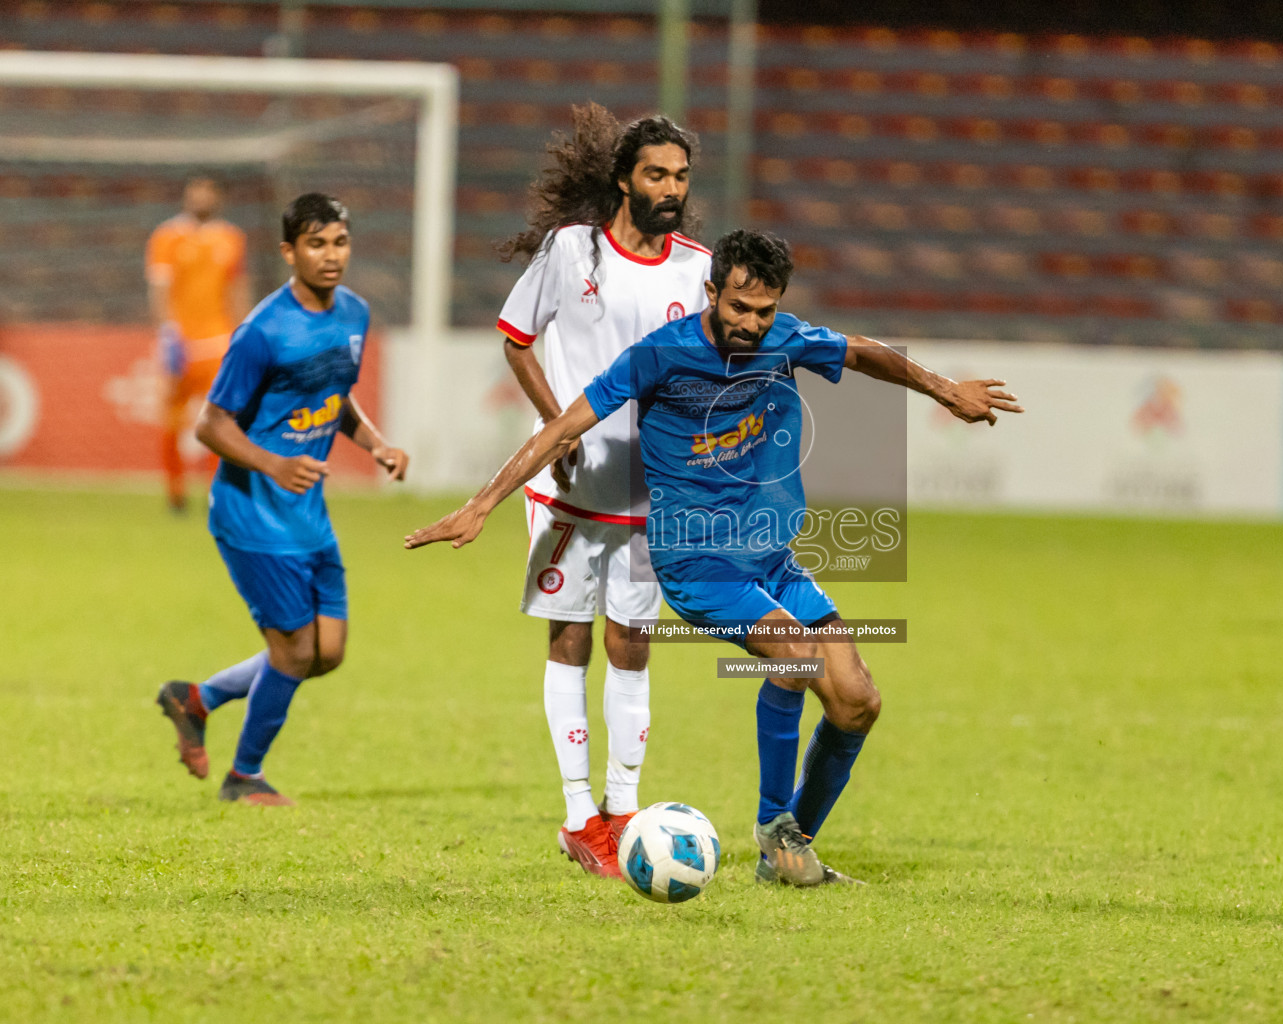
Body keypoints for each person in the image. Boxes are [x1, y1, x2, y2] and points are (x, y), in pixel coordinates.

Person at [406, 230, 1020, 885]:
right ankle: (771, 822)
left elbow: (864, 353)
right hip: (695, 562)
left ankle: (788, 856)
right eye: (738, 308)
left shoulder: (784, 338)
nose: (752, 324)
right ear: (711, 292)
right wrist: (480, 503)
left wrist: (944, 389)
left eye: (764, 310)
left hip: (770, 559)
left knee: (856, 700)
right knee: (796, 656)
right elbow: (563, 428)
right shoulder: (660, 356)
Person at [492, 104, 711, 877]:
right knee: (570, 637)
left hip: (653, 493)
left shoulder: (698, 269)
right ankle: (580, 816)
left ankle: (625, 806)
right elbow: (517, 339)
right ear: (624, 178)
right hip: (570, 488)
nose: (671, 188)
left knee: (633, 644)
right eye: (657, 173)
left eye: (681, 176)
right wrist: (559, 425)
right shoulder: (571, 250)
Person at [155, 193, 408, 805]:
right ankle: (245, 777)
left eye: (339, 242)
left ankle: (199, 698)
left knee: (328, 651)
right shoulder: (262, 331)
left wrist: (374, 444)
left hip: (306, 511)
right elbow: (211, 425)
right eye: (316, 244)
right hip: (252, 514)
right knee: (294, 652)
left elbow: (335, 394)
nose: (330, 256)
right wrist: (274, 463)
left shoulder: (354, 312)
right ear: (288, 252)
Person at [146, 173, 251, 513]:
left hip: (218, 344)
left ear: (217, 198)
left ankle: (215, 495)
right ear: (187, 198)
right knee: (172, 420)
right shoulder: (167, 236)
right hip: (181, 344)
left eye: (208, 193)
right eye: (196, 193)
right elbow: (160, 289)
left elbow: (237, 288)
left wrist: (246, 333)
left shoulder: (231, 238)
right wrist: (167, 333)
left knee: (219, 423)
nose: (201, 199)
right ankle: (175, 491)